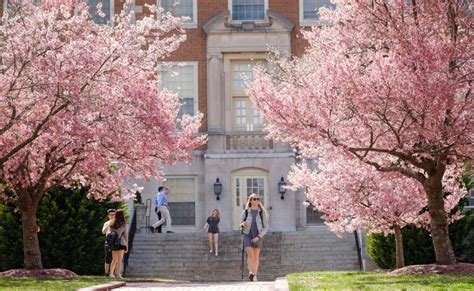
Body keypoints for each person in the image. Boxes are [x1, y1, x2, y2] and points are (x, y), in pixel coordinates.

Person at [240, 193, 269, 282]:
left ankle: (255, 275)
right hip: (247, 234)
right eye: (254, 199)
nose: (257, 200)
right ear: (251, 200)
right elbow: (240, 224)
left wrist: (258, 237)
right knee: (250, 254)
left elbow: (266, 227)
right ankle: (250, 273)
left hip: (258, 235)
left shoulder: (262, 212)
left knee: (256, 256)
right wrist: (242, 225)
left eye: (258, 199)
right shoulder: (245, 212)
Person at [108, 209, 128, 279]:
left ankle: (111, 273)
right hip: (121, 243)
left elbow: (110, 233)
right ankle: (118, 274)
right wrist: (127, 246)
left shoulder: (112, 223)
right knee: (119, 260)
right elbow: (125, 236)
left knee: (114, 259)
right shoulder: (123, 224)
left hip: (113, 243)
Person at [102, 209, 115, 276]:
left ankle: (113, 273)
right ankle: (106, 273)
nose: (112, 216)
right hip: (108, 242)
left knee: (115, 258)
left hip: (115, 243)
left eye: (113, 214)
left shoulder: (117, 223)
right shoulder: (106, 223)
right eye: (111, 215)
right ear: (108, 216)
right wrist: (108, 225)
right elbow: (103, 232)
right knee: (107, 258)